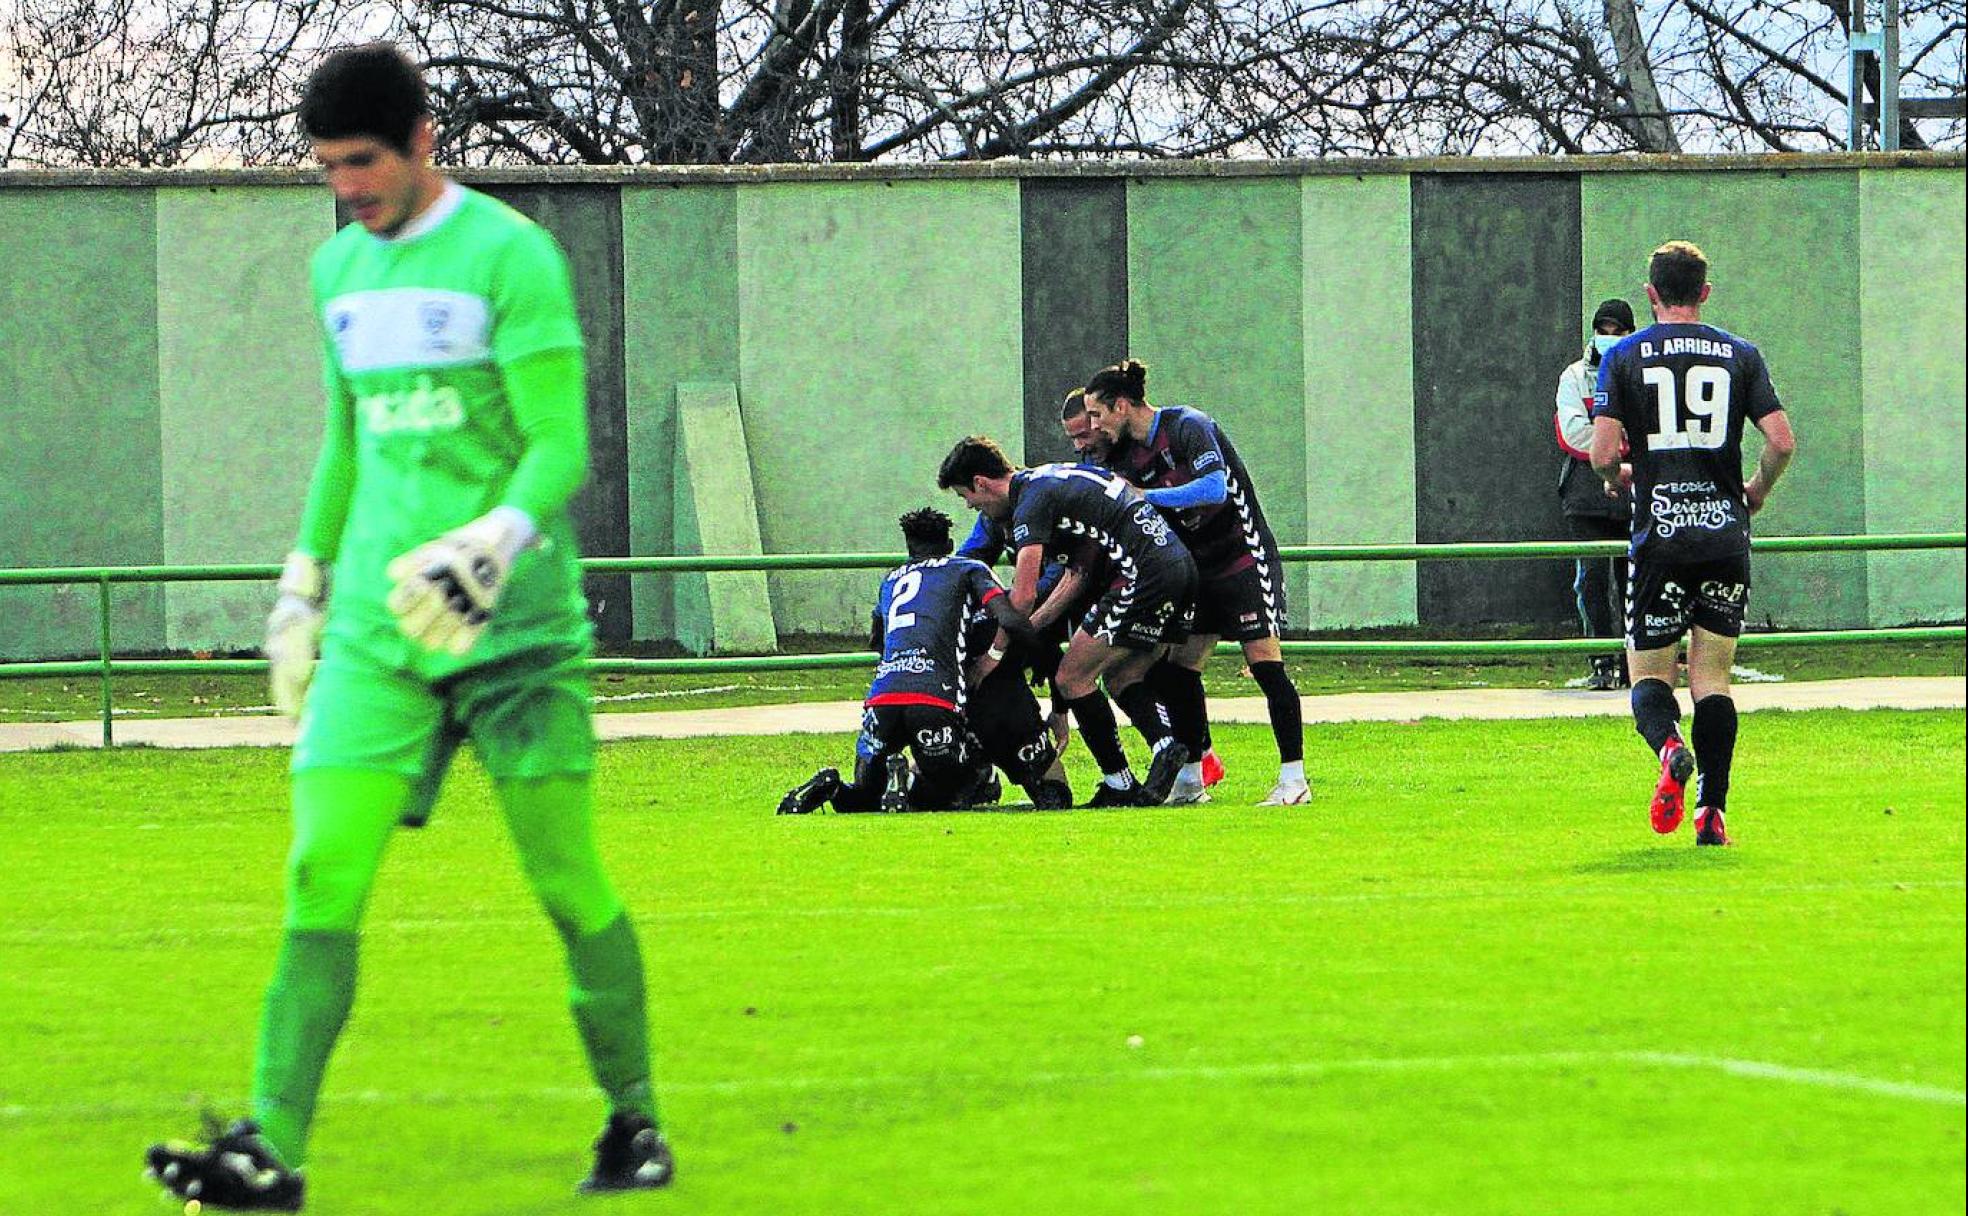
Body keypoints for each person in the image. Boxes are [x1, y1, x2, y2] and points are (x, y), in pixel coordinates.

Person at [145, 44, 672, 1210]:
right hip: (384, 638)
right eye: (331, 168)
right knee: (320, 872)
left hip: (517, 634)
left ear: (424, 139)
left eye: (366, 162)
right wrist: (301, 584)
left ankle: (634, 1120)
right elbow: (349, 439)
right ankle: (270, 1149)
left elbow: (559, 445)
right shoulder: (336, 267)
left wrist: (490, 543)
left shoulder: (509, 256)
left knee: (568, 883)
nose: (351, 188)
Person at [1591, 240, 1796, 847]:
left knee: (1649, 678)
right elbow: (1781, 440)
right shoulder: (1740, 355)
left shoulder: (1624, 357)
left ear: (1651, 294)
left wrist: (1618, 479)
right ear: (1704, 293)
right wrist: (1754, 490)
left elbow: (1603, 453)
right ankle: (1712, 811)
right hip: (1724, 536)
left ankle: (1670, 747)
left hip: (1660, 538)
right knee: (1712, 680)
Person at [1080, 360, 1307, 807]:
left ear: (1122, 406)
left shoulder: (1188, 426)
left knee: (1264, 665)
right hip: (1195, 569)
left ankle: (1293, 781)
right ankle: (1190, 780)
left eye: (1097, 415)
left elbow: (1213, 490)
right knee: (1177, 672)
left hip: (1241, 558)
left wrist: (1147, 497)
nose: (1094, 425)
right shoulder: (1125, 456)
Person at [938, 437, 1200, 807]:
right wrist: (1033, 626)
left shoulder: (1030, 502)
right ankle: (1166, 745)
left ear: (981, 483)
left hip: (1142, 573)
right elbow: (1076, 576)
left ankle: (1119, 782)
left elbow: (1024, 593)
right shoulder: (1051, 482)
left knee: (1072, 677)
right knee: (1122, 677)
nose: (969, 505)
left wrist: (995, 652)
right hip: (1179, 568)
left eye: (967, 495)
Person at [778, 508, 1047, 813]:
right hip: (933, 699)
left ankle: (833, 787)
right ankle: (905, 784)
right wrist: (1042, 656)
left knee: (864, 796)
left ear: (909, 547)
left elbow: (876, 640)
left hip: (883, 696)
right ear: (948, 544)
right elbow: (1010, 619)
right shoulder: (968, 569)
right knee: (956, 787)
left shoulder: (890, 580)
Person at [954, 389, 1145, 807]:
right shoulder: (1006, 508)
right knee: (1085, 677)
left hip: (1083, 601)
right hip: (1053, 616)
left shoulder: (1040, 497)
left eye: (1088, 431)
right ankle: (1143, 771)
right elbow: (968, 562)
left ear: (980, 484)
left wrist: (1003, 638)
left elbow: (1050, 587)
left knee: (1083, 676)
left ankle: (1148, 770)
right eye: (1076, 436)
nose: (1082, 445)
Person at [1556, 299, 1638, 691]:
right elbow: (1570, 432)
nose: (1608, 338)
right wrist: (1613, 447)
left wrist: (1614, 450)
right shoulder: (1573, 376)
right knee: (1589, 580)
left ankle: (1633, 661)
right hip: (1584, 497)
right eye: (1602, 330)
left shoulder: (1641, 372)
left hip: (1634, 492)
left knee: (1634, 581)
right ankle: (1601, 661)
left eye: (1617, 331)